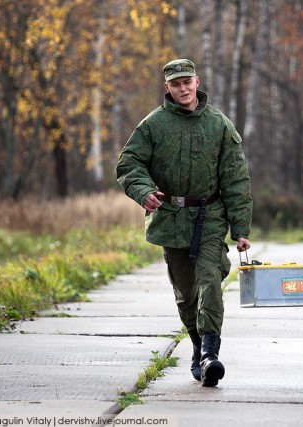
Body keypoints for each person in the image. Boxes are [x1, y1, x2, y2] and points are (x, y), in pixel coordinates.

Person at [116, 58, 253, 387]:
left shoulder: (219, 124)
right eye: (175, 84)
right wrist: (143, 191)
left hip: (210, 217)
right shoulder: (153, 125)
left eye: (187, 82)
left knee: (209, 282)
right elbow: (129, 163)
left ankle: (210, 353)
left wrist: (241, 229)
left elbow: (236, 179)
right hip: (171, 218)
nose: (182, 88)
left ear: (196, 81)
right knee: (185, 294)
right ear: (167, 87)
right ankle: (196, 344)